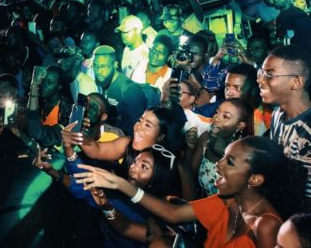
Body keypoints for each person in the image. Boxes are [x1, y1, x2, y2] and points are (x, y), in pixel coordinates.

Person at [75, 136, 308, 248]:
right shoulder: (227, 201)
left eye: (230, 162)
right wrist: (121, 185)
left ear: (255, 179)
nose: (218, 165)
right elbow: (172, 213)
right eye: (223, 157)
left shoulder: (267, 226)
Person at [258, 45, 311, 203]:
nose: (260, 80)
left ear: (296, 82)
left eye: (269, 74)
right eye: (261, 73)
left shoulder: (307, 132)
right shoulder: (278, 114)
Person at [191, 99, 252, 196]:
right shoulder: (205, 139)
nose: (216, 118)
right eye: (217, 112)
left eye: (226, 116)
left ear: (239, 126)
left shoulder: (243, 154)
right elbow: (191, 177)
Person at [91, 45, 146, 135]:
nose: (99, 71)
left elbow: (138, 127)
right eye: (95, 66)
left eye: (103, 66)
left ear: (115, 64)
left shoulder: (129, 89)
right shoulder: (102, 82)